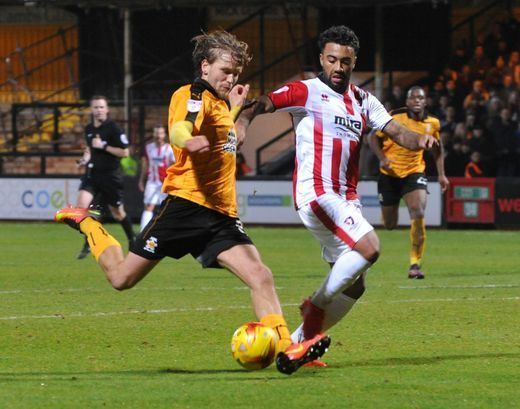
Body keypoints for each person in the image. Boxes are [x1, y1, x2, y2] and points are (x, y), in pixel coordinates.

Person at [55, 30, 328, 375]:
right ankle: (86, 221)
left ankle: (289, 349)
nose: (231, 78)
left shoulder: (220, 102)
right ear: (205, 66)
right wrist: (189, 141)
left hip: (221, 216)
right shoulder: (192, 95)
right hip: (185, 207)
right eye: (225, 71)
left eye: (235, 73)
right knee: (121, 278)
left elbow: (226, 135)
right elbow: (180, 129)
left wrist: (236, 108)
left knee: (261, 275)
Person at [238, 26, 435, 361]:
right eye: (331, 60)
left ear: (354, 61)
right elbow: (263, 104)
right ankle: (314, 309)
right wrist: (242, 122)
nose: (338, 67)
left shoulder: (363, 100)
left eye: (345, 61)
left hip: (347, 199)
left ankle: (297, 346)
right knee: (370, 247)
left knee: (355, 284)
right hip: (316, 192)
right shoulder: (306, 90)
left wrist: (422, 141)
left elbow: (397, 131)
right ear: (321, 59)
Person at [367, 86, 449, 279]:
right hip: (388, 173)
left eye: (420, 98)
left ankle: (415, 263)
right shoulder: (394, 116)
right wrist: (382, 158)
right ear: (407, 101)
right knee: (389, 224)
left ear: (425, 101)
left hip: (414, 172)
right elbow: (372, 137)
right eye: (413, 98)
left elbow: (437, 149)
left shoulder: (433, 123)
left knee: (418, 211)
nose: (417, 101)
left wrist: (441, 175)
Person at [75, 95, 136, 259]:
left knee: (118, 213)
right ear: (91, 110)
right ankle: (90, 242)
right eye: (95, 107)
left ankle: (132, 238)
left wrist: (104, 146)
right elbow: (89, 150)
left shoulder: (114, 129)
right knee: (82, 209)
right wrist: (84, 160)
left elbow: (125, 152)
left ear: (107, 110)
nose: (98, 110)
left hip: (110, 177)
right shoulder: (89, 128)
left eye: (101, 107)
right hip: (92, 175)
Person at [138, 125, 175, 231]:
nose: (158, 136)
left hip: (166, 183)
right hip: (152, 182)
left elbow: (174, 166)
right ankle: (143, 231)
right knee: (148, 206)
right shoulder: (148, 148)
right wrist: (141, 180)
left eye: (160, 133)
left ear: (164, 135)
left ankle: (165, 231)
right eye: (156, 133)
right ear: (153, 134)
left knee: (165, 208)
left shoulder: (169, 148)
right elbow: (145, 165)